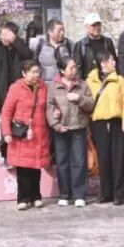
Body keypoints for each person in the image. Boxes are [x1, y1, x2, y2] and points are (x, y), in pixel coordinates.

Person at [47, 55, 95, 207]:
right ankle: (64, 194)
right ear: (62, 70)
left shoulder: (83, 85)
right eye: (71, 68)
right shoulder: (53, 86)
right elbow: (49, 107)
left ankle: (79, 195)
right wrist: (56, 125)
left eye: (76, 67)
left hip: (78, 128)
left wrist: (79, 98)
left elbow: (91, 105)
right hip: (61, 129)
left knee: (79, 162)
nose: (75, 70)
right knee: (62, 162)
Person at [2, 60, 50, 210]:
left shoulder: (43, 87)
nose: (36, 75)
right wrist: (6, 132)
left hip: (39, 134)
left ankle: (36, 197)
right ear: (24, 73)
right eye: (33, 72)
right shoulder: (15, 88)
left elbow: (48, 107)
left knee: (36, 167)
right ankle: (23, 198)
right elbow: (6, 112)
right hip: (22, 135)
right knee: (23, 168)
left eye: (38, 72)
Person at [86, 51, 124, 205]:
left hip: (116, 122)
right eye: (111, 60)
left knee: (118, 157)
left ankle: (119, 193)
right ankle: (106, 192)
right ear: (103, 63)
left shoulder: (120, 80)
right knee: (103, 157)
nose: (114, 63)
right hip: (98, 122)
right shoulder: (90, 81)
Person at [0, 22, 34, 157]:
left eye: (6, 34)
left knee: (19, 124)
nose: (3, 37)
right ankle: (6, 155)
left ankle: (19, 154)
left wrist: (15, 42)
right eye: (2, 34)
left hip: (20, 94)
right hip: (2, 93)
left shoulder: (20, 47)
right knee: (4, 124)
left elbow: (29, 56)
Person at [73, 13, 116, 79]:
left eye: (98, 24)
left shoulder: (108, 42)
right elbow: (78, 69)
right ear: (87, 27)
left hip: (107, 80)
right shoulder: (80, 45)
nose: (97, 27)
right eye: (93, 25)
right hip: (89, 82)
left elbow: (114, 61)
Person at [30, 19, 73, 83]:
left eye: (63, 30)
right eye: (59, 31)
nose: (62, 33)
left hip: (63, 84)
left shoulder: (69, 44)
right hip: (44, 84)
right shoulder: (38, 44)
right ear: (50, 32)